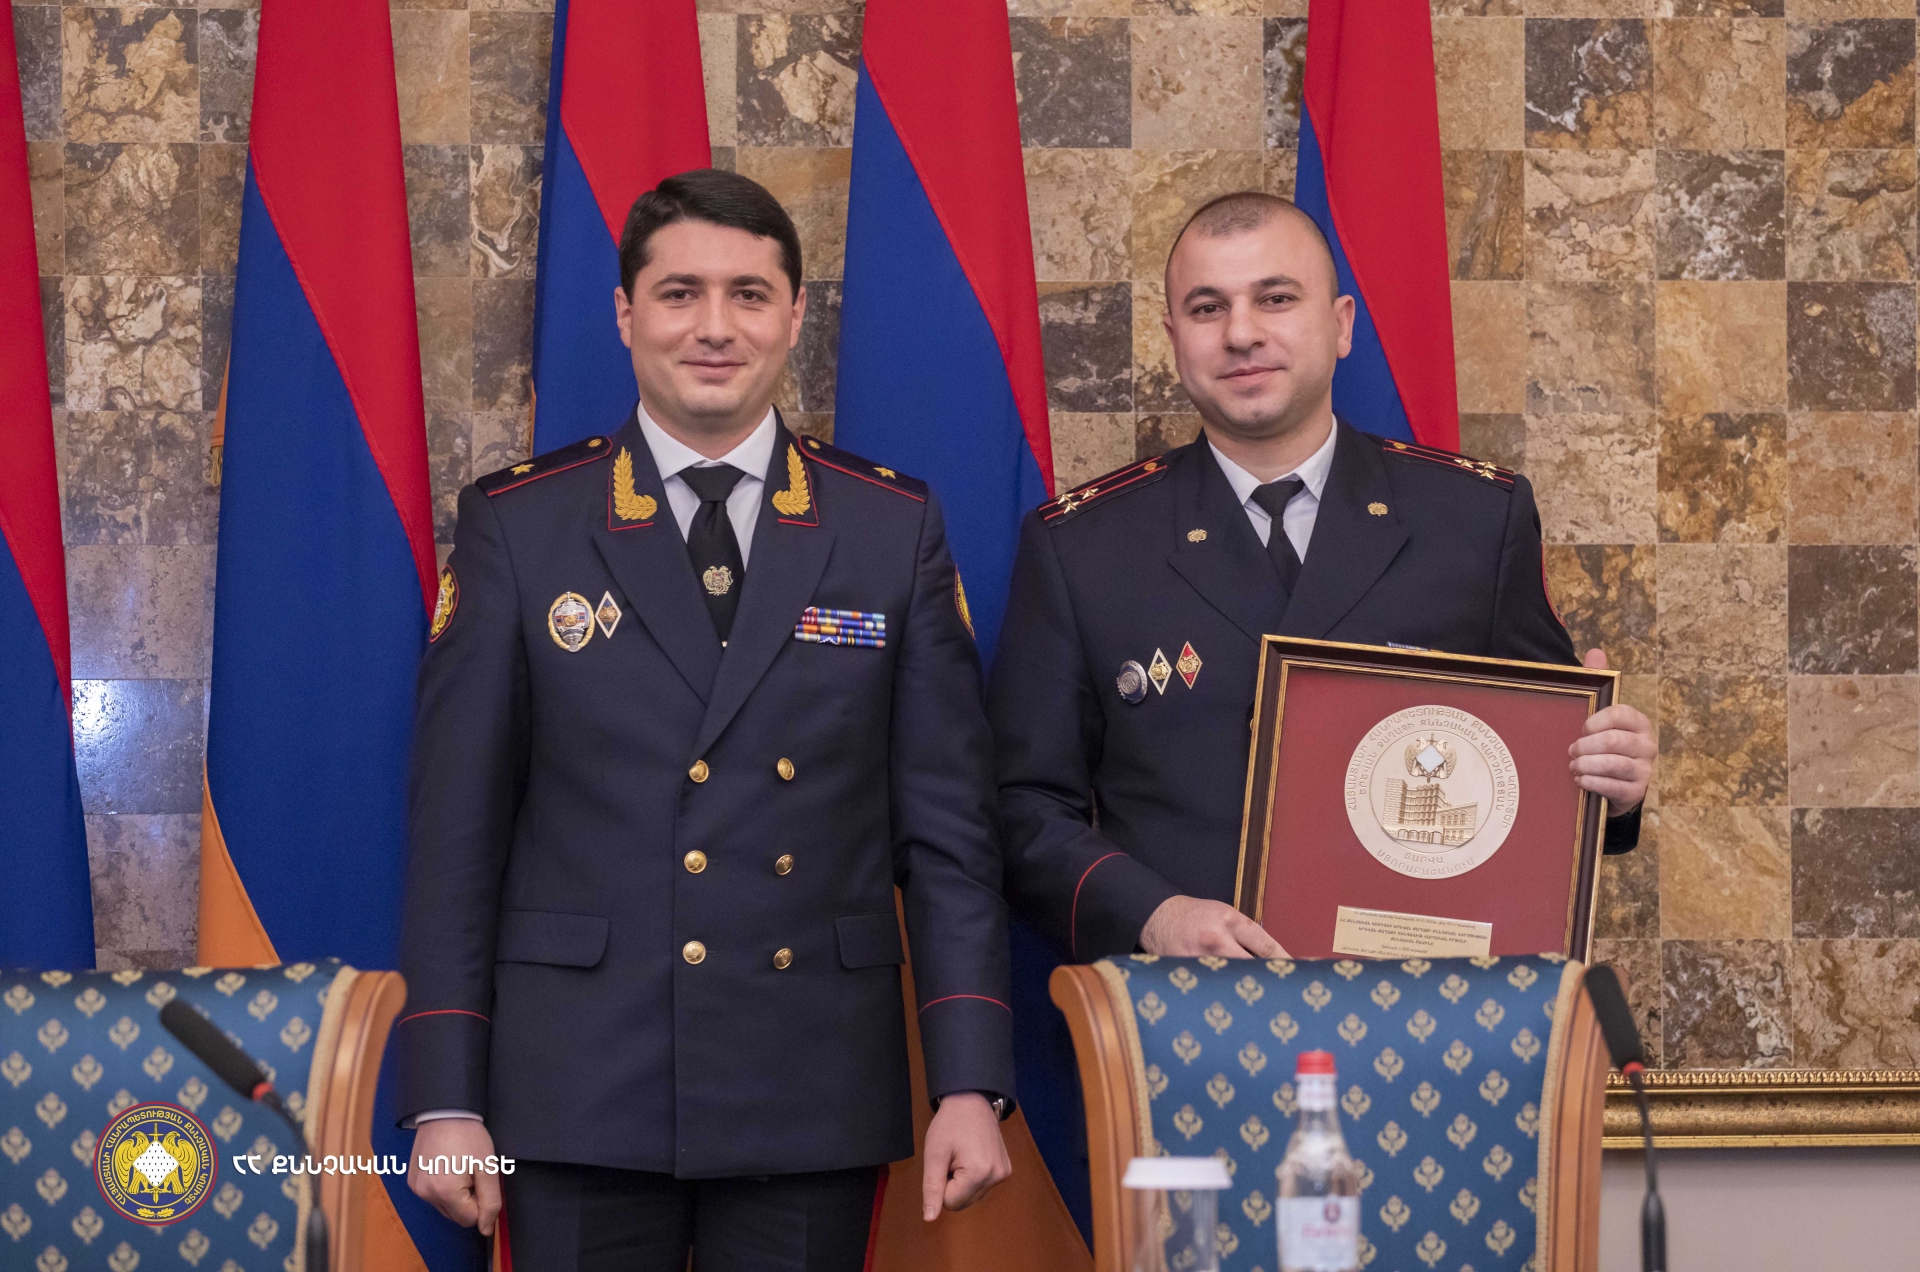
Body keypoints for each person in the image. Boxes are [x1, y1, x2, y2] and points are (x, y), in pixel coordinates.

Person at [398, 169, 1014, 1271]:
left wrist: (968, 1078)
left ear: (795, 316)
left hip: (808, 1079)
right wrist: (446, 1094)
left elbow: (949, 835)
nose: (715, 326)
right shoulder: (521, 525)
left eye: (749, 293)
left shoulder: (889, 525)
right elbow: (457, 835)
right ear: (626, 313)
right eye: (680, 293)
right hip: (580, 1080)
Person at [988, 192, 1656, 962]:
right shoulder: (1084, 545)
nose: (1241, 333)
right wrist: (1153, 915)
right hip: (1188, 1009)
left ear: (1341, 325)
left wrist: (1612, 782)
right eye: (1208, 308)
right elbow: (1023, 805)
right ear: (1173, 339)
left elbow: (1541, 770)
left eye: (1275, 298)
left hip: (1427, 1002)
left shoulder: (1474, 520)